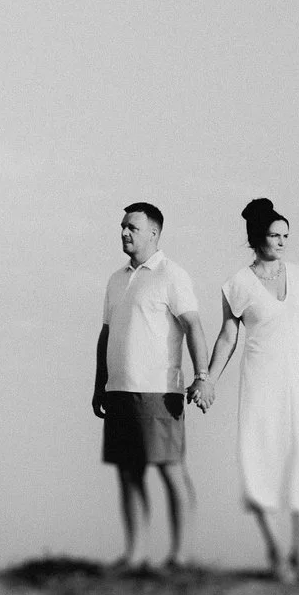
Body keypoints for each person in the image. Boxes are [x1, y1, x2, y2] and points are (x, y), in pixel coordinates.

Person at [198, 197, 299, 582]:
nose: (282, 242)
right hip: (260, 381)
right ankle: (275, 550)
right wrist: (207, 378)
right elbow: (227, 337)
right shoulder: (237, 285)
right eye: (275, 235)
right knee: (257, 459)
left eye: (286, 235)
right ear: (258, 237)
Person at [92, 202, 211, 570]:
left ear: (153, 233)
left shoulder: (172, 275)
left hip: (159, 391)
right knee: (128, 472)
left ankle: (182, 554)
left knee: (170, 468)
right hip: (119, 391)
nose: (124, 233)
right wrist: (100, 386)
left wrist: (202, 377)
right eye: (123, 227)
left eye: (132, 227)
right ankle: (137, 554)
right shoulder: (116, 279)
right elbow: (106, 335)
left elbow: (193, 326)